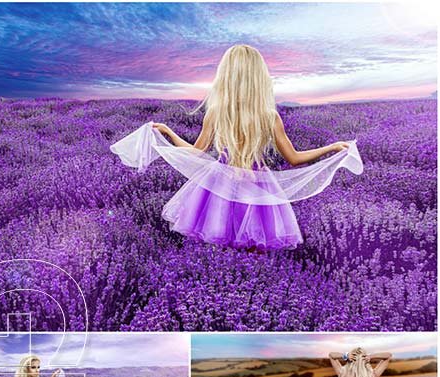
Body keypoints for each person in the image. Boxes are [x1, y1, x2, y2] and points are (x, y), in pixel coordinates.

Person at [112, 43, 362, 252]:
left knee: (219, 242)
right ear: (258, 78)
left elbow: (196, 153)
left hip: (218, 185)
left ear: (227, 76)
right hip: (257, 184)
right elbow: (294, 159)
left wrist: (168, 133)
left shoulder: (217, 112)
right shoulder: (269, 115)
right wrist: (331, 148)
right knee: (254, 247)